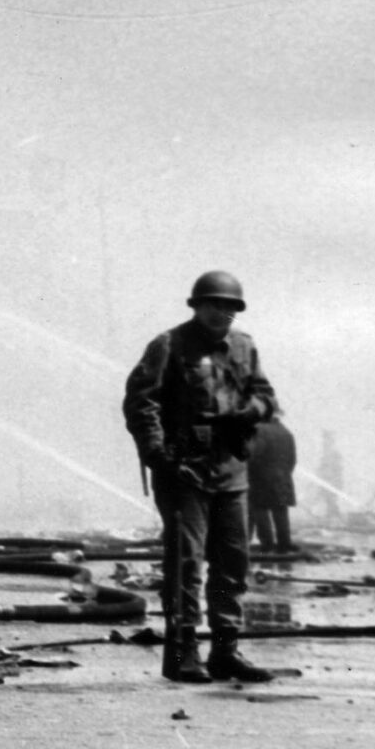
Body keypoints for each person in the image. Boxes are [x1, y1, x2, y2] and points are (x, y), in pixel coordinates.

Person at [122, 270, 279, 685]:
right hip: (185, 471)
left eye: (229, 306)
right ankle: (182, 652)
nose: (221, 313)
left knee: (232, 563)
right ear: (196, 306)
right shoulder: (168, 345)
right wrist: (158, 455)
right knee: (185, 564)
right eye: (213, 305)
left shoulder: (245, 347)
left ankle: (225, 649)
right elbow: (141, 402)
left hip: (231, 468)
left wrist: (251, 412)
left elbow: (266, 395)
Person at [246, 419, 298, 554]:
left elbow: (253, 455)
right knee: (281, 511)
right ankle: (284, 544)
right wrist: (285, 473)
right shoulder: (286, 431)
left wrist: (249, 472)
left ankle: (267, 544)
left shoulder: (259, 429)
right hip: (283, 478)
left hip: (261, 478)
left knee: (260, 510)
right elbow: (293, 459)